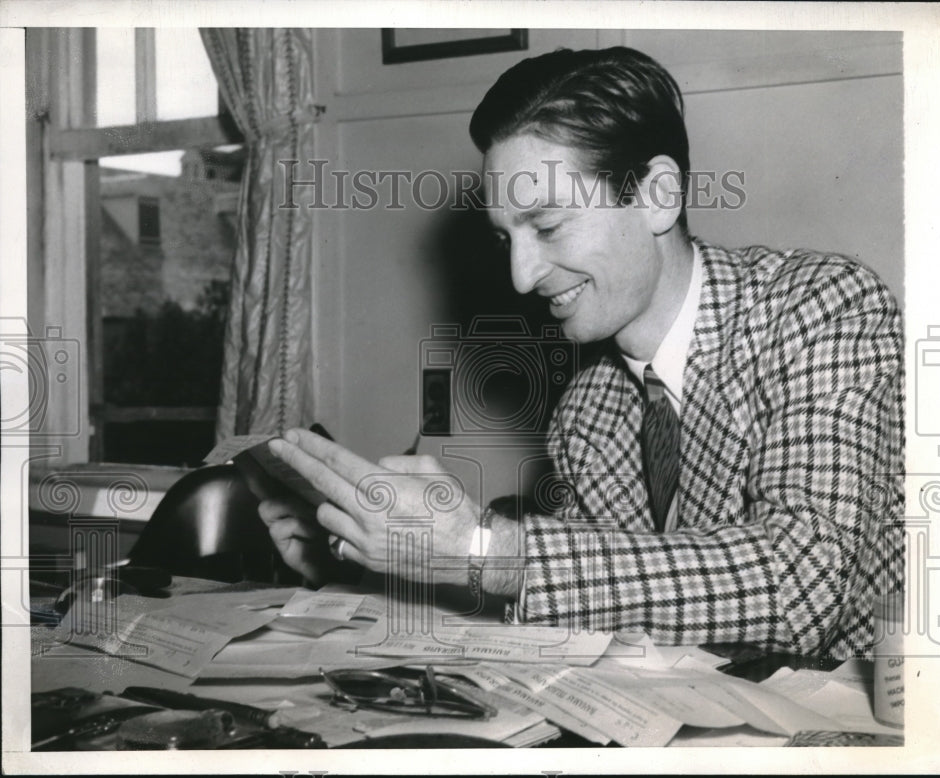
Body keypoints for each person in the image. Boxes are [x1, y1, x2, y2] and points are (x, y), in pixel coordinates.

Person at [261, 47, 904, 660]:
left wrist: (479, 549)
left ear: (657, 195)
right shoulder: (587, 412)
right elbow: (636, 604)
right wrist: (363, 564)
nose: (520, 276)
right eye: (505, 237)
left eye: (546, 226)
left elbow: (800, 587)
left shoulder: (824, 308)